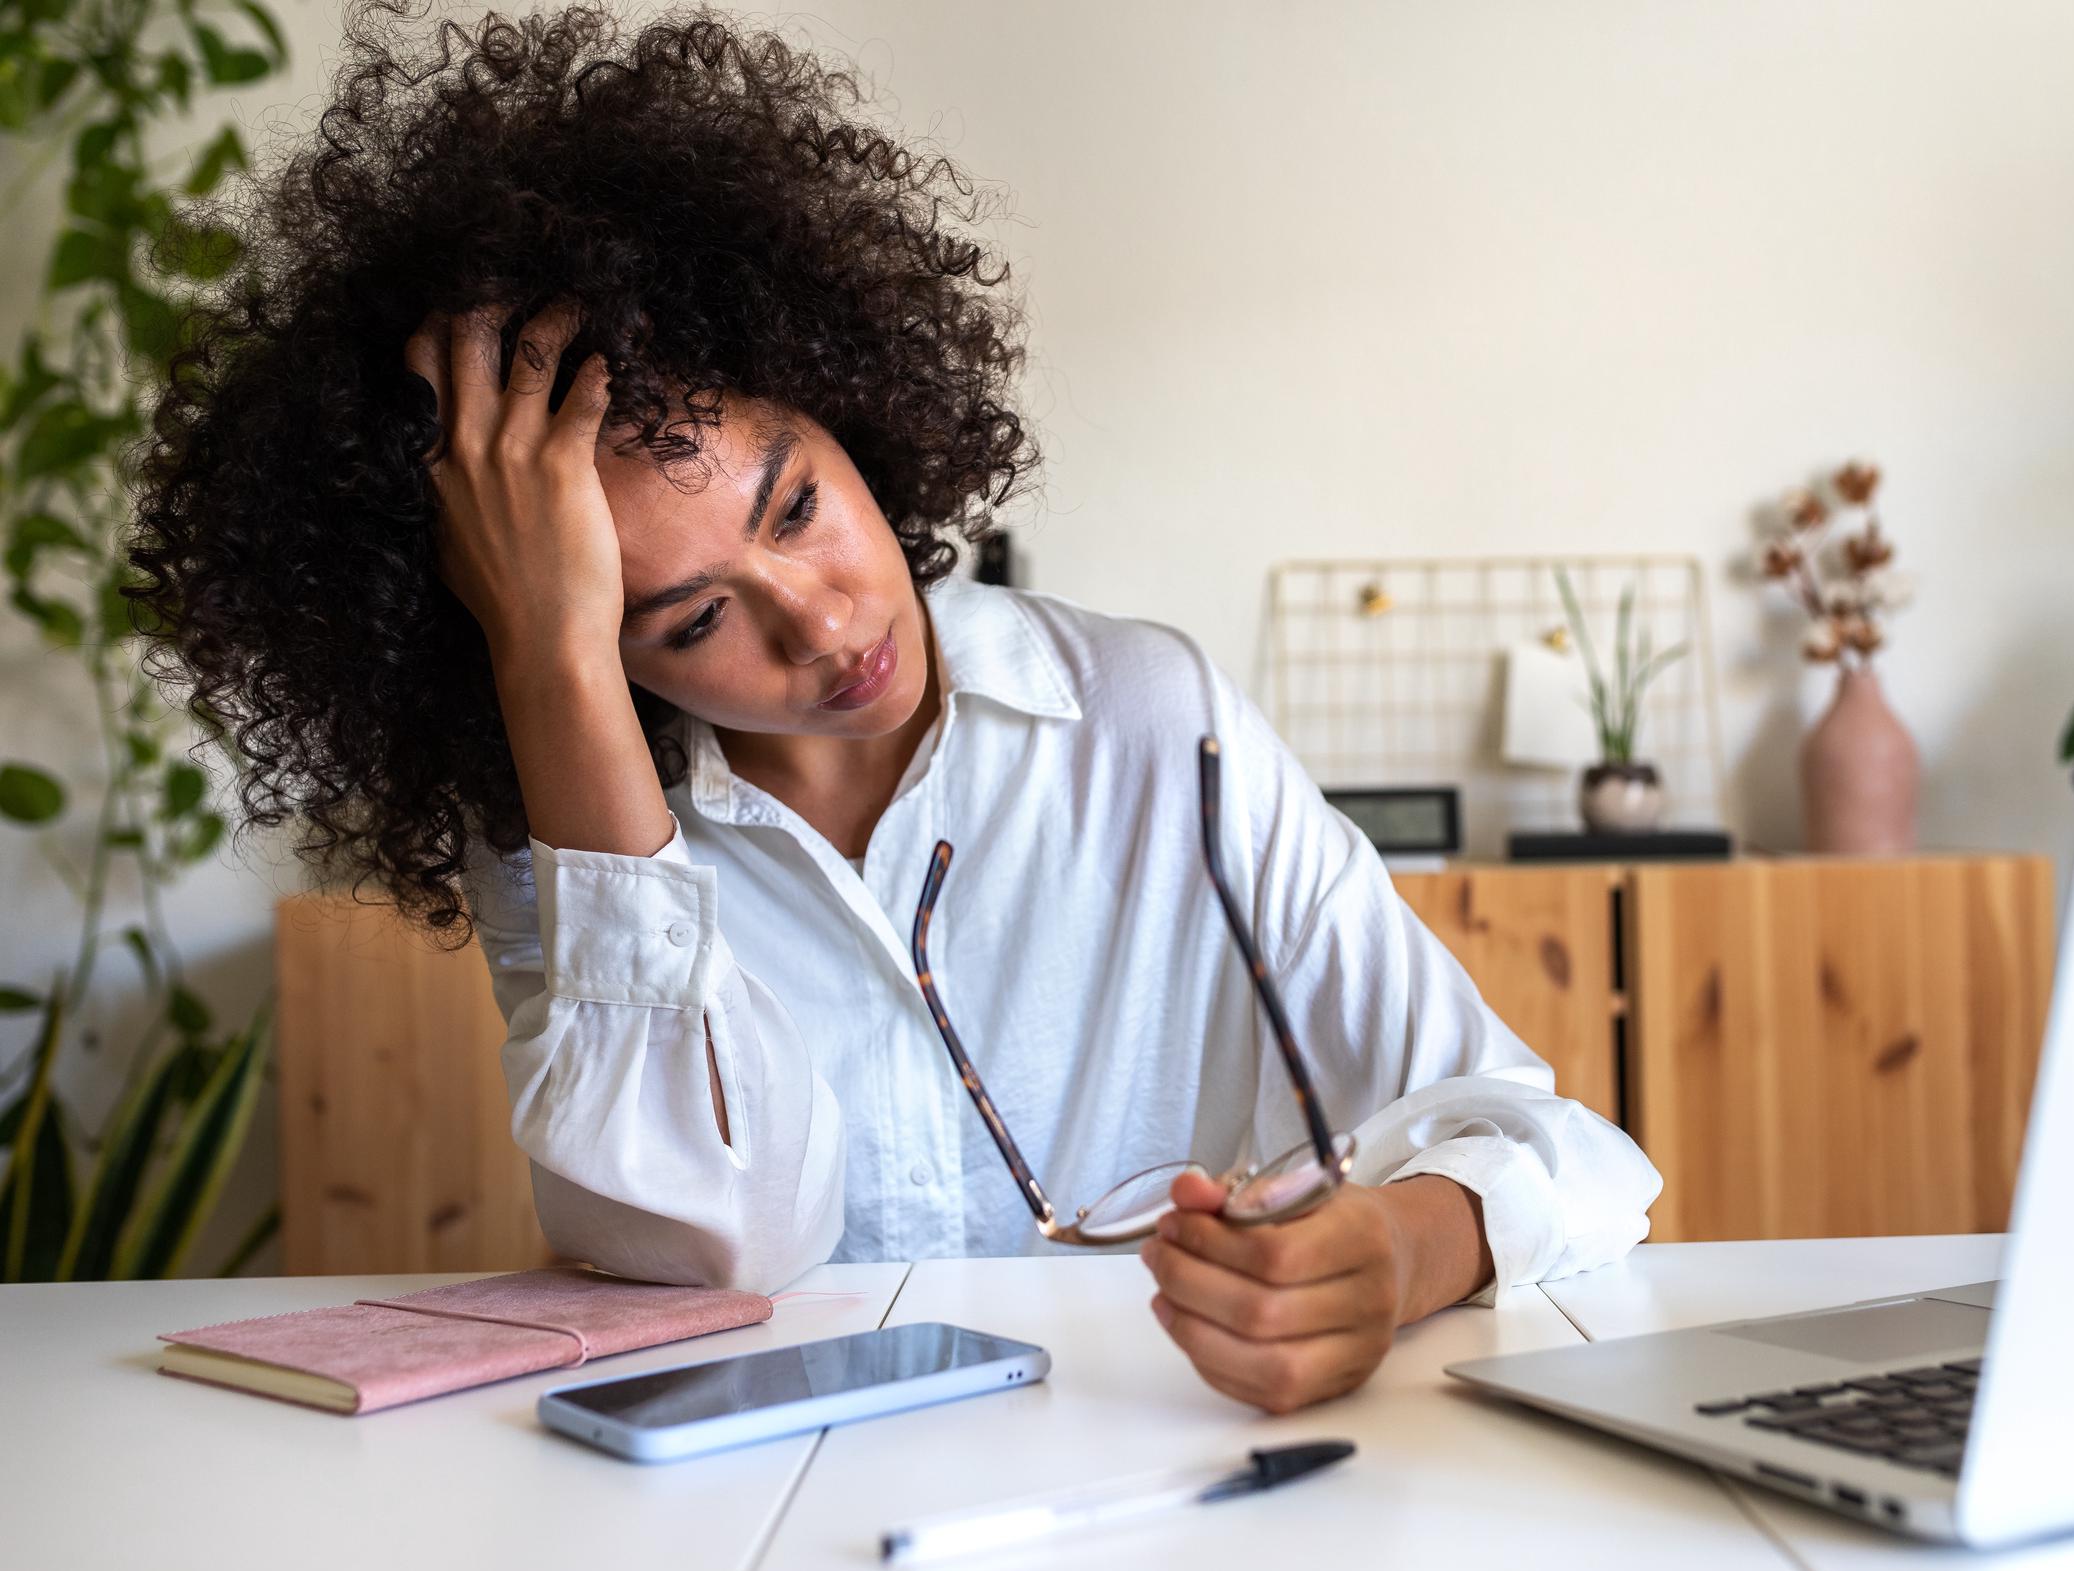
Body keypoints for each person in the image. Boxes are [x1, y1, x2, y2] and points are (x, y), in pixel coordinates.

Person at [124, 0, 1662, 1414]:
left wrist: (1402, 1248)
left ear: (843, 397)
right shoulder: (569, 817)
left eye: (794, 505)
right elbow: (719, 1250)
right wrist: (552, 664)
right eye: (689, 616)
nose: (824, 620)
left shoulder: (1142, 719)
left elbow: (1558, 1152)